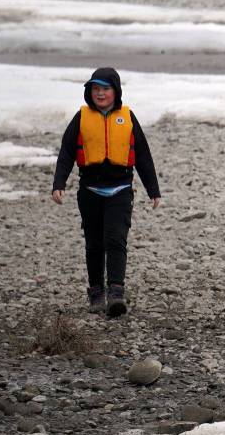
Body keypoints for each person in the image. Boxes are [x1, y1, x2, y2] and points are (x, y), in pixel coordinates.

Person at [51, 68, 161, 318]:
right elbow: (67, 152)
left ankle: (116, 293)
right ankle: (96, 292)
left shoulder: (127, 116)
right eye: (95, 89)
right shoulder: (81, 117)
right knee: (94, 243)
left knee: (115, 239)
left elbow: (143, 156)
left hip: (120, 190)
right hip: (89, 190)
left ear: (116, 91)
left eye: (105, 88)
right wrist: (59, 184)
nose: (100, 93)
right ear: (89, 92)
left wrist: (153, 190)